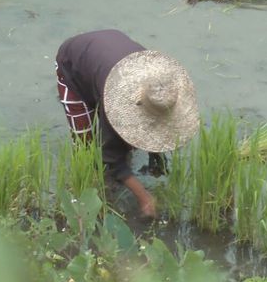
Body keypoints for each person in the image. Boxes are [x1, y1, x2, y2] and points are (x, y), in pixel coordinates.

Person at [54, 29, 200, 218]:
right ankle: (88, 195)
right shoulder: (117, 102)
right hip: (73, 65)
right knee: (86, 147)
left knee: (126, 137)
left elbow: (157, 122)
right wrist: (145, 198)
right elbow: (110, 159)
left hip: (107, 51)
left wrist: (156, 155)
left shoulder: (158, 82)